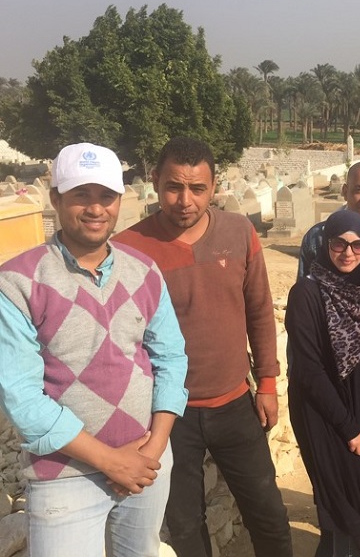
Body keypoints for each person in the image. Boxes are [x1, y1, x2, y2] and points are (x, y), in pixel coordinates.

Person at [0, 142, 188, 557]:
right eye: (80, 195)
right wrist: (109, 461)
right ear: (55, 200)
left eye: (106, 196)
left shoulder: (144, 271)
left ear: (120, 201)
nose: (95, 208)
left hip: (146, 462)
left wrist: (153, 448)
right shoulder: (15, 283)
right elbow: (23, 398)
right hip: (65, 476)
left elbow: (171, 358)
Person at [114, 137, 292, 557]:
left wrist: (266, 381)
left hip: (235, 404)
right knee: (184, 524)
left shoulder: (238, 231)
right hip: (166, 415)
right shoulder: (128, 249)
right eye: (174, 186)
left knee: (268, 513)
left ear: (214, 187)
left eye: (198, 189)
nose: (185, 200)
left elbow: (260, 310)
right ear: (155, 181)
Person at [286, 210, 360, 557]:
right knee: (336, 493)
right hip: (320, 409)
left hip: (359, 403)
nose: (348, 252)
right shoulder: (306, 293)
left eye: (357, 245)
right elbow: (309, 369)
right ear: (326, 244)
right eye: (339, 243)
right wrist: (348, 428)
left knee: (356, 488)